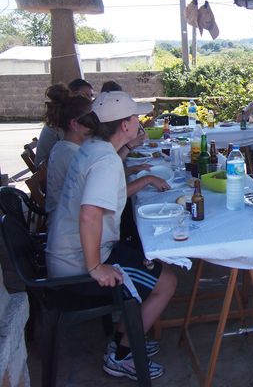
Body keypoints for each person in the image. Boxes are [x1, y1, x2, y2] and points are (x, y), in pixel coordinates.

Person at [45, 91, 177, 380]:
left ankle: (125, 338)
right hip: (76, 265)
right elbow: (90, 214)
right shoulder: (104, 161)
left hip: (69, 252)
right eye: (136, 117)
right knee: (166, 281)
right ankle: (121, 355)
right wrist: (95, 267)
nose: (140, 121)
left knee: (145, 256)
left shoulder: (95, 147)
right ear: (125, 125)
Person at [35, 78, 94, 166]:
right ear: (74, 95)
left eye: (91, 96)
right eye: (85, 95)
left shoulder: (61, 120)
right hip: (43, 173)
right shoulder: (64, 124)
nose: (90, 99)